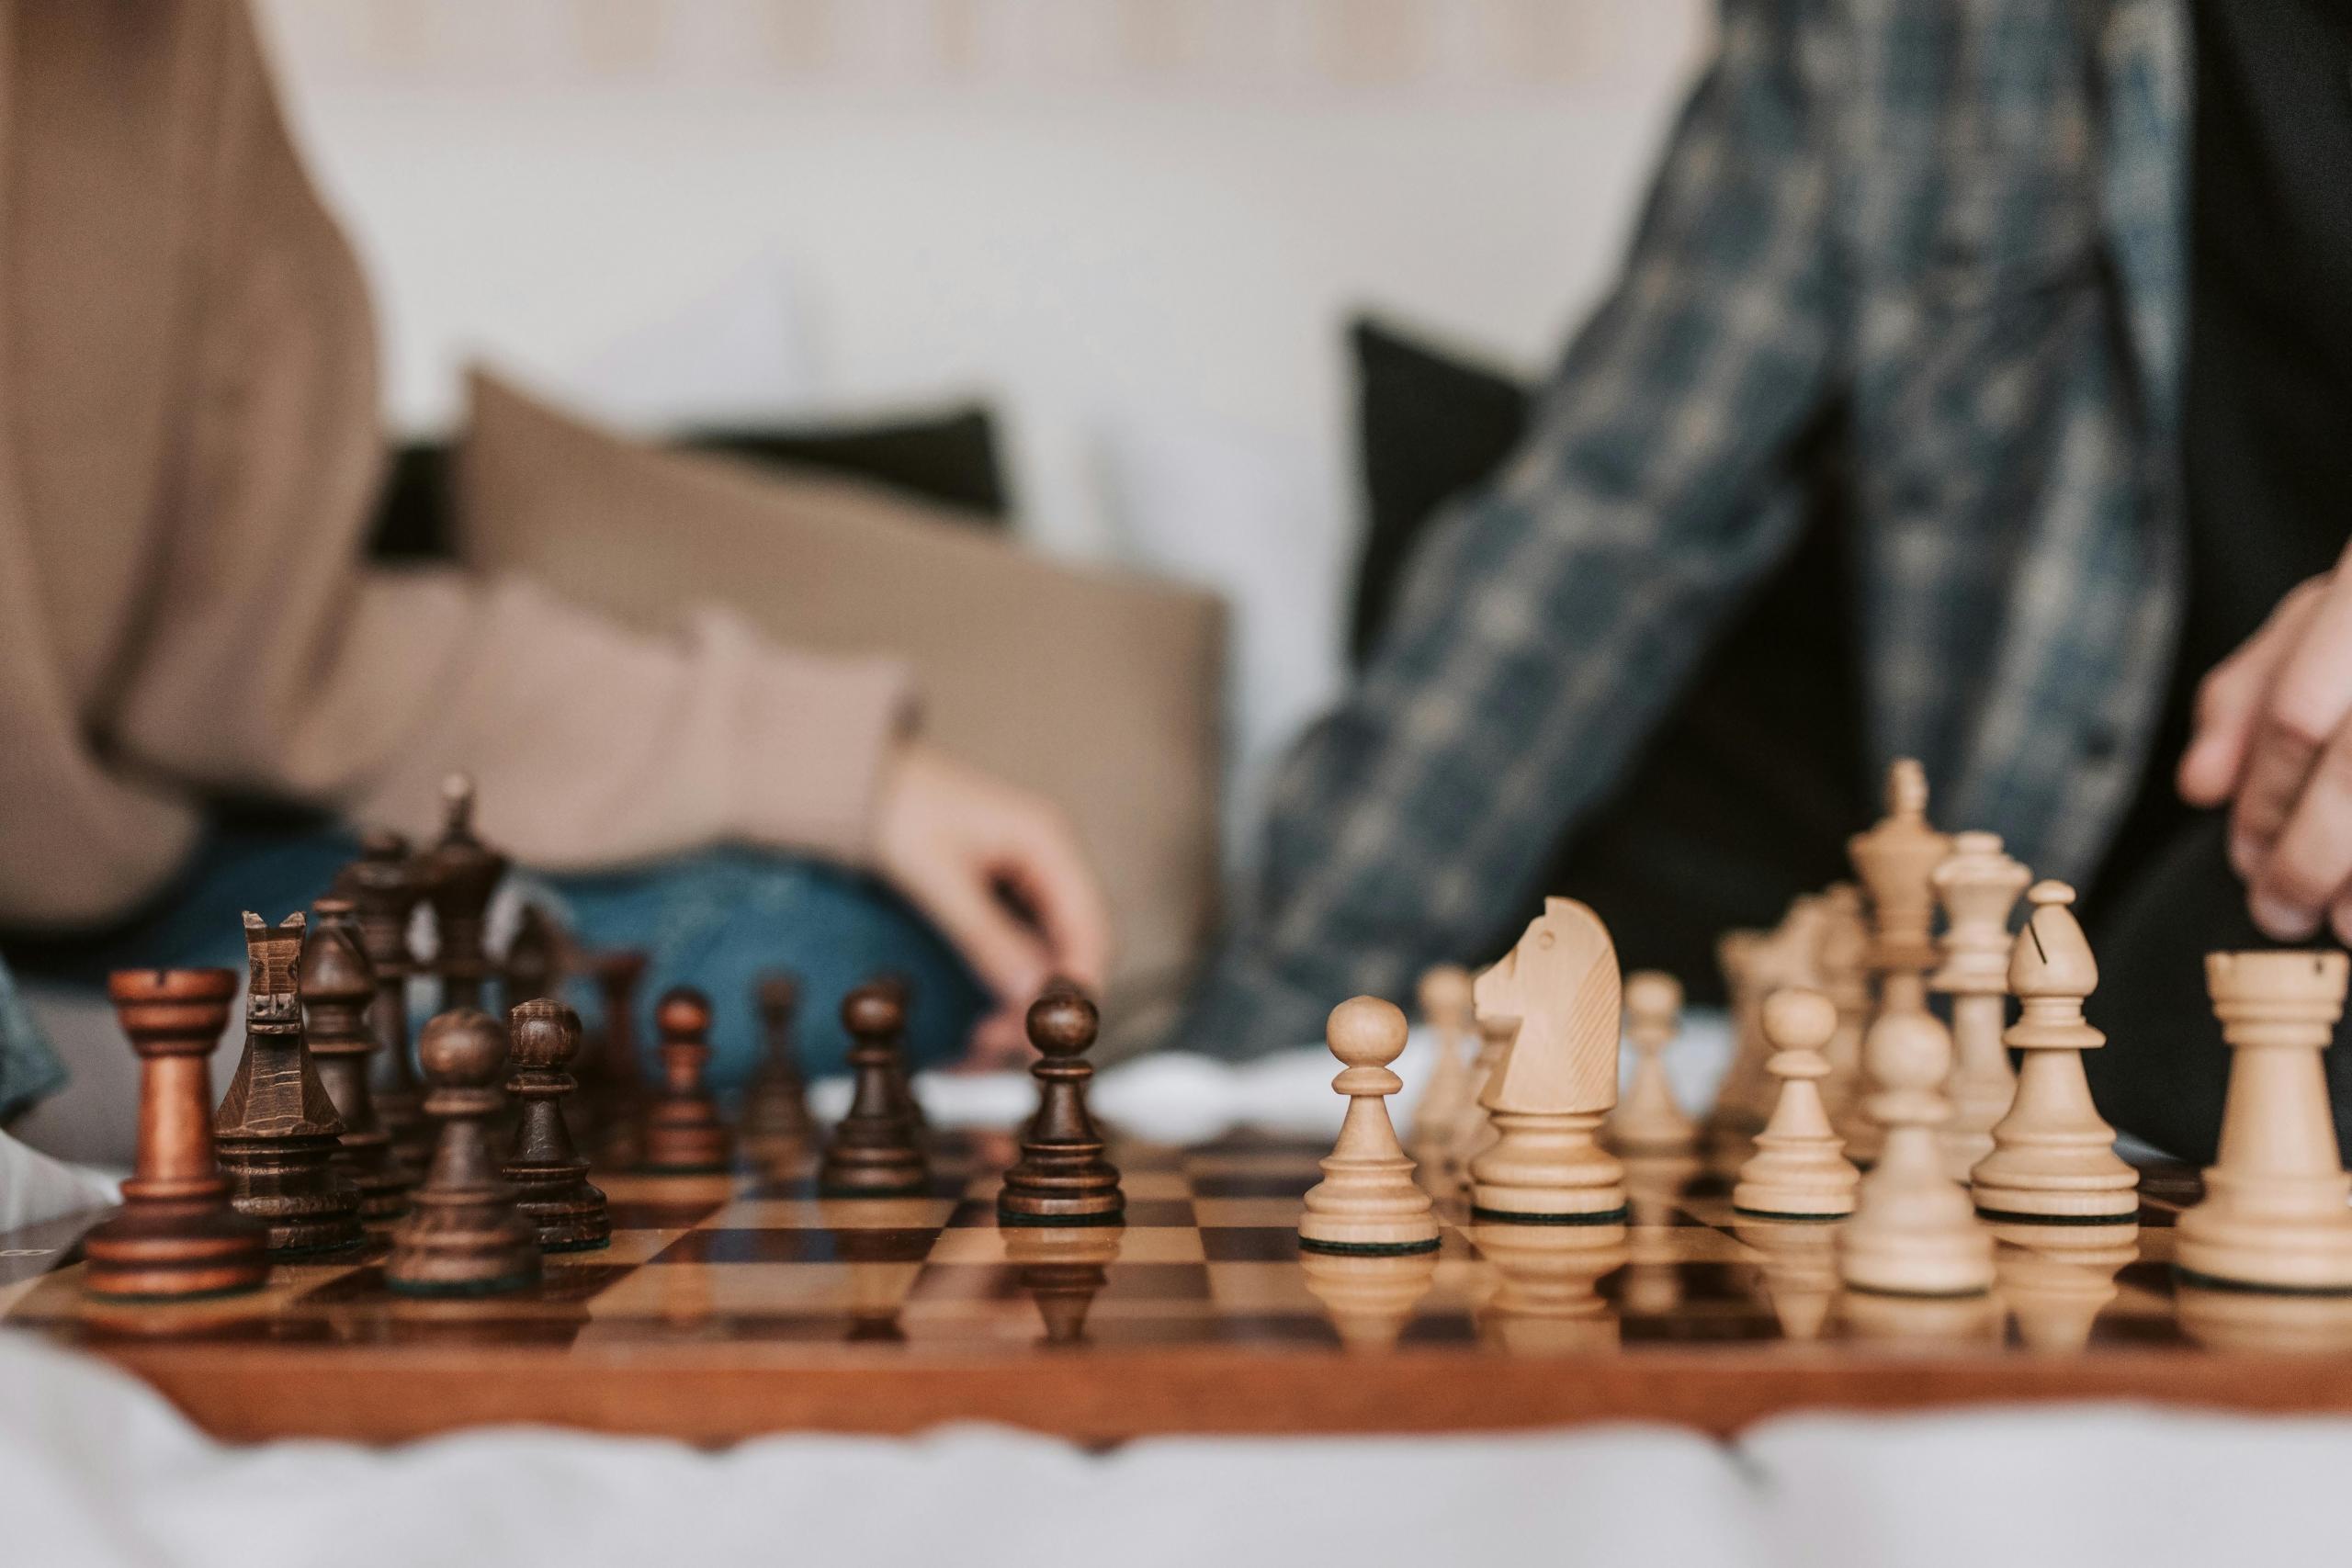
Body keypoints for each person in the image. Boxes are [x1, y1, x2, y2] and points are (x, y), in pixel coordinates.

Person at [1173, 0, 2352, 1163]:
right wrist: (1233, 1066)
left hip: (2252, 932)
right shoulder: (1877, 28)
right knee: (2170, 1048)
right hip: (2076, 974)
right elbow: (1611, 517)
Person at [0, 1, 1109, 1125]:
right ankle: (142, 1097)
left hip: (115, 891)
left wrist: (855, 776)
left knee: (844, 951)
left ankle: (160, 1095)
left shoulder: (162, 36)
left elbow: (277, 660)